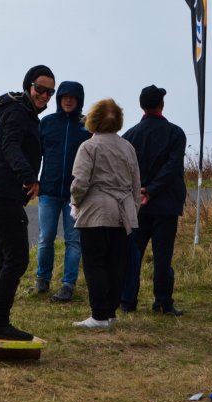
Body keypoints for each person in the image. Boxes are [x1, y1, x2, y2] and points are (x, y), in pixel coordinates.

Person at [0, 65, 55, 340]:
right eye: (39, 89)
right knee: (17, 259)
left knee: (3, 257)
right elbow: (10, 146)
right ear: (28, 86)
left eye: (49, 92)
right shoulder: (19, 113)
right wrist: (29, 177)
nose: (44, 95)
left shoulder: (27, 114)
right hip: (4, 193)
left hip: (0, 193)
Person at [70, 98, 141, 329]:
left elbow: (80, 182)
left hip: (96, 212)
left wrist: (75, 203)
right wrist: (133, 210)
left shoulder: (89, 147)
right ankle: (110, 313)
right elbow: (135, 183)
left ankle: (99, 315)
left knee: (95, 263)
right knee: (116, 264)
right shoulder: (127, 147)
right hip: (123, 213)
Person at [120, 85, 187, 316]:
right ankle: (162, 301)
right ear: (162, 105)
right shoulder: (175, 133)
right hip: (166, 204)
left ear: (141, 105)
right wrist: (152, 190)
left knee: (132, 255)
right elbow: (172, 167)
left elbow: (124, 171)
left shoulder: (128, 136)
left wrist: (140, 192)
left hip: (136, 205)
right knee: (163, 255)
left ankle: (127, 301)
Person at [33, 81, 91, 302]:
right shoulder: (46, 123)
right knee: (45, 238)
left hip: (76, 195)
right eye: (64, 96)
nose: (68, 100)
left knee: (73, 240)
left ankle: (68, 284)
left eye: (72, 97)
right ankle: (42, 280)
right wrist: (33, 180)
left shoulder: (87, 126)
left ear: (79, 100)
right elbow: (35, 153)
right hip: (48, 190)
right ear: (58, 99)